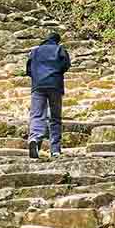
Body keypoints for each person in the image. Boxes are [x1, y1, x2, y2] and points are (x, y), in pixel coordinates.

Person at [25, 31, 71, 159]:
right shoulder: (59, 49)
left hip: (38, 86)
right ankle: (55, 150)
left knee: (37, 115)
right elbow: (66, 65)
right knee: (55, 118)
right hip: (55, 85)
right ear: (57, 40)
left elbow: (28, 69)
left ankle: (34, 140)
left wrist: (38, 76)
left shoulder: (35, 51)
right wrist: (55, 73)